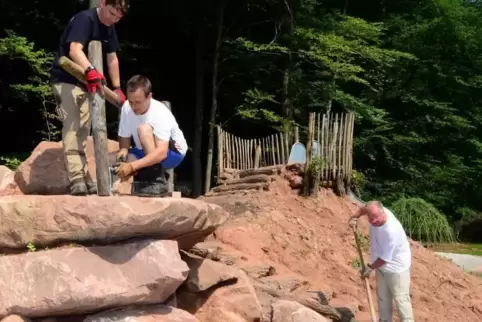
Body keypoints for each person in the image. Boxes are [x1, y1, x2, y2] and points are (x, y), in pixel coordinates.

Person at [50, 0, 129, 196]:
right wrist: (90, 70)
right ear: (102, 3)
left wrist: (117, 87)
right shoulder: (84, 20)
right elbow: (74, 50)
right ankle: (76, 177)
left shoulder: (109, 27)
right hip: (66, 80)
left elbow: (112, 58)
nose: (113, 20)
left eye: (118, 17)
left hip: (87, 83)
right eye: (111, 13)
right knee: (72, 126)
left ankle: (85, 175)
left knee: (84, 130)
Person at [111, 75, 187, 184]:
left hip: (172, 153)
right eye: (131, 101)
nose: (133, 107)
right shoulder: (126, 107)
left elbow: (162, 153)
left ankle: (156, 178)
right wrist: (124, 151)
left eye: (137, 102)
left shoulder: (160, 112)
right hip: (142, 150)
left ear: (149, 97)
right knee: (108, 160)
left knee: (144, 130)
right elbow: (124, 139)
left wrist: (132, 166)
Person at [349, 201, 415, 322]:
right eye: (371, 218)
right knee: (383, 298)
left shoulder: (391, 231)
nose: (373, 221)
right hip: (381, 265)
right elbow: (364, 209)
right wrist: (355, 216)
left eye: (376, 218)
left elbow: (385, 258)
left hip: (397, 268)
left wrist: (370, 267)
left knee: (401, 299)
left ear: (383, 212)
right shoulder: (374, 209)